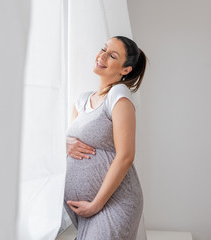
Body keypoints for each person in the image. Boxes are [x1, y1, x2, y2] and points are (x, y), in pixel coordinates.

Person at [63, 36, 147, 240]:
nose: (102, 56)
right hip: (85, 210)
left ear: (125, 70)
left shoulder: (118, 95)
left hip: (113, 204)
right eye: (103, 49)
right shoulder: (82, 100)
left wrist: (96, 204)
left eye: (112, 55)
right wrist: (64, 144)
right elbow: (69, 140)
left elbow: (126, 156)